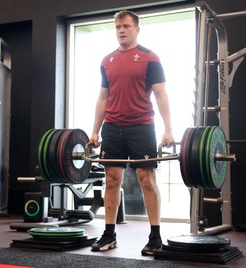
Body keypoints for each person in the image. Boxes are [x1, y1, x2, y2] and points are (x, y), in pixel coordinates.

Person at [89, 10, 174, 256]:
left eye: (126, 26)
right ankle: (109, 234)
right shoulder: (107, 60)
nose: (121, 31)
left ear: (137, 29)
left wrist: (168, 129)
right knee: (112, 181)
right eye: (117, 27)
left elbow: (161, 95)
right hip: (113, 128)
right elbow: (103, 97)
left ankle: (155, 236)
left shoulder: (150, 58)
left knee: (147, 181)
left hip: (142, 126)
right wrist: (95, 131)